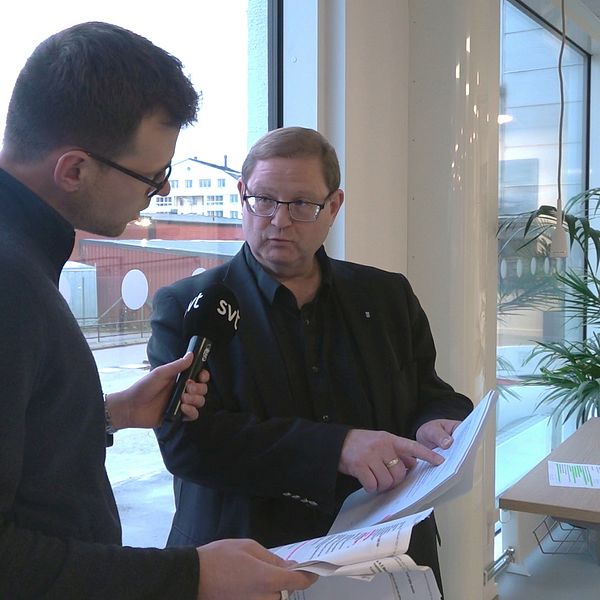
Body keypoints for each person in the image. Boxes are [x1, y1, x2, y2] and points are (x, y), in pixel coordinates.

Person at [0, 23, 316, 600]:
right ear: (73, 170)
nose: (162, 192)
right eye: (152, 176)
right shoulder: (9, 283)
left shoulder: (24, 260)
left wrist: (107, 414)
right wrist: (191, 575)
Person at [148, 126, 474, 594]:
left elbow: (429, 390)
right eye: (264, 200)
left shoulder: (386, 296)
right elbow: (187, 444)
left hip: (384, 557)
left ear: (334, 206)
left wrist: (436, 421)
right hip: (250, 562)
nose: (279, 221)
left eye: (302, 204)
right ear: (242, 196)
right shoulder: (188, 306)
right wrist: (336, 448)